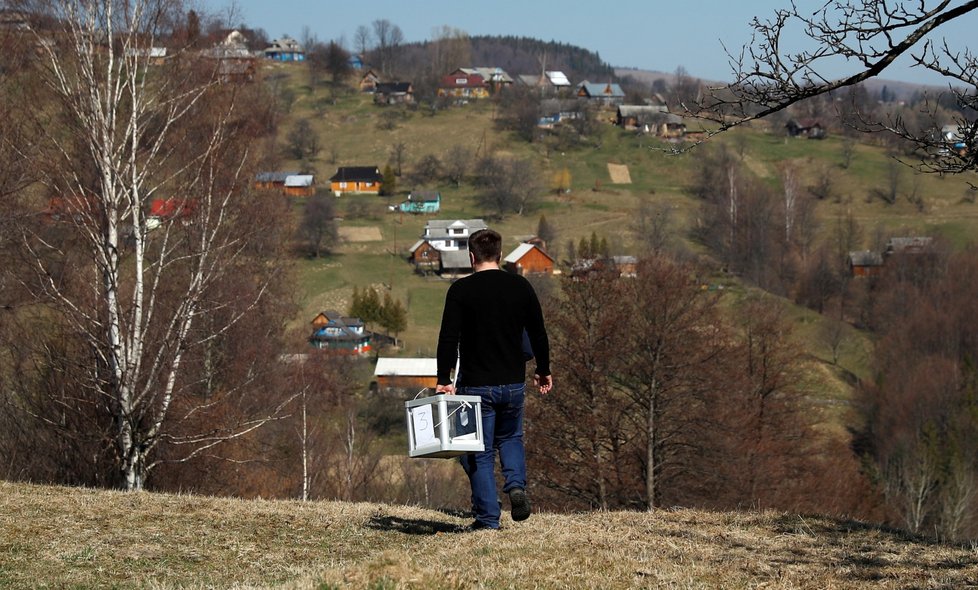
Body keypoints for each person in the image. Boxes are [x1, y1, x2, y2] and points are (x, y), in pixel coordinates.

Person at [435, 229, 553, 530]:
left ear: (471, 256)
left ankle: (488, 520)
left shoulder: (461, 291)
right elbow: (538, 332)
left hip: (476, 384)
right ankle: (516, 485)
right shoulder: (520, 286)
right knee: (511, 437)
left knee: (479, 451)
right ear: (500, 256)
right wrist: (543, 369)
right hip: (513, 382)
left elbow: (448, 338)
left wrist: (444, 377)